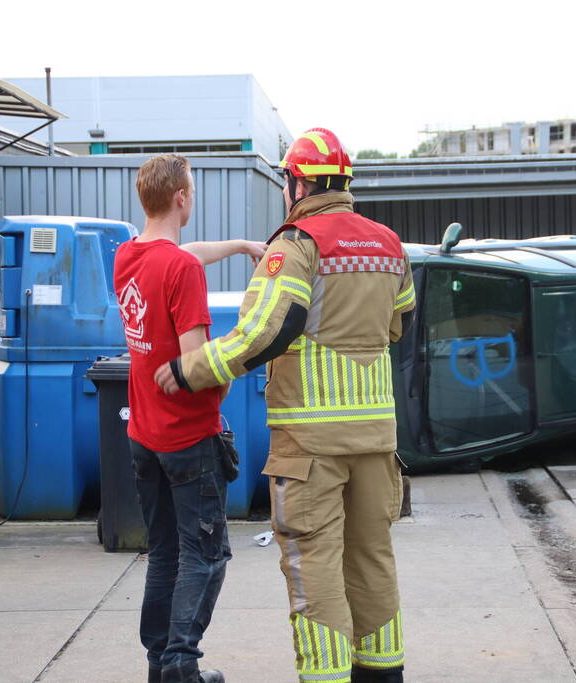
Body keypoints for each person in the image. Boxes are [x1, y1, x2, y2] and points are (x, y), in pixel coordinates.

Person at [155, 128, 416, 683]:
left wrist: (188, 370)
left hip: (310, 447)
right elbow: (400, 324)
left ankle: (324, 677)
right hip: (377, 441)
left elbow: (263, 332)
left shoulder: (296, 244)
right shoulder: (389, 243)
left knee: (314, 569)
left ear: (296, 182)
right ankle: (383, 673)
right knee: (373, 561)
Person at [114, 153, 266, 683]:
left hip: (143, 435)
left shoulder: (129, 256)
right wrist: (244, 349)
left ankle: (159, 664)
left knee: (164, 553)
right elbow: (196, 365)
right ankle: (182, 663)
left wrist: (243, 246)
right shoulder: (178, 270)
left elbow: (183, 255)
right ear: (182, 198)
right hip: (187, 438)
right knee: (207, 555)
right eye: (193, 191)